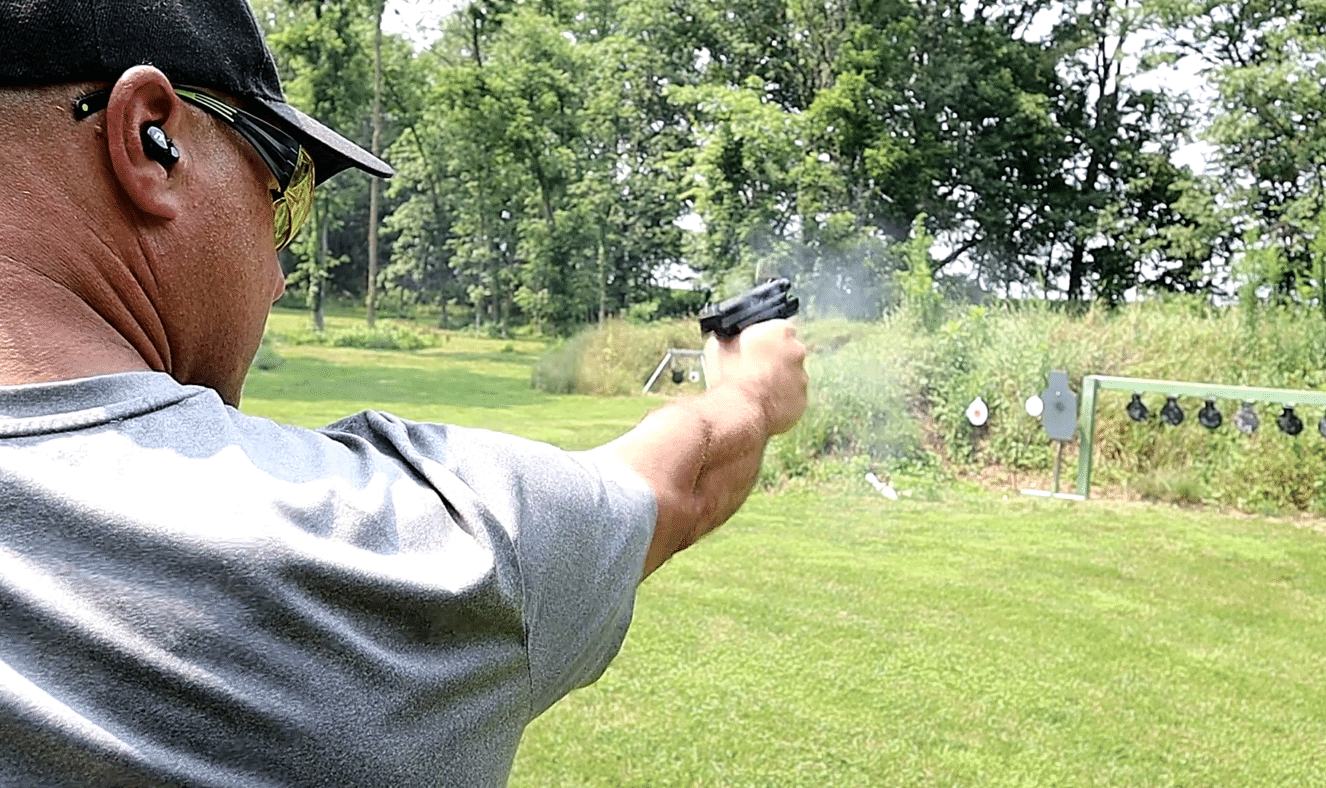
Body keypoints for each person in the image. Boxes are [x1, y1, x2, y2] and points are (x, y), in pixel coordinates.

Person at [0, 1, 807, 785]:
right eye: (285, 197)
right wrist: (751, 392)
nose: (280, 273)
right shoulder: (404, 551)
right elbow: (680, 485)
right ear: (152, 142)